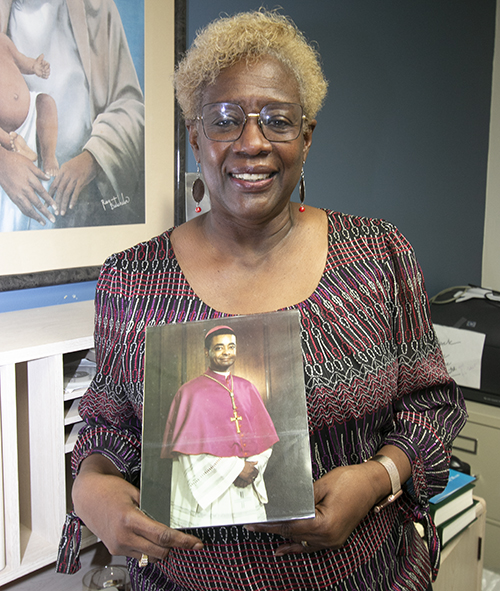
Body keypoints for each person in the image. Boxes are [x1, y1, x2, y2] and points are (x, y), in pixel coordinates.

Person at [56, 9, 467, 591]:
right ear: (194, 137)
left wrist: (378, 477)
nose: (252, 143)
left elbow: (433, 405)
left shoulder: (380, 257)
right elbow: (110, 425)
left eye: (277, 119)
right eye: (225, 120)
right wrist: (90, 485)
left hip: (368, 577)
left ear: (307, 137)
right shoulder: (131, 280)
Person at [0, 0, 144, 231]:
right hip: (14, 206)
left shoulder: (97, 7)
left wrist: (93, 158)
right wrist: (3, 163)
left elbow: (131, 106)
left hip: (85, 205)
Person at [161, 325, 279, 528]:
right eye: (219, 348)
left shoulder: (247, 387)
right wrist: (236, 469)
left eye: (231, 346)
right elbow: (188, 452)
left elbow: (264, 439)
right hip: (210, 495)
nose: (226, 352)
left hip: (247, 484)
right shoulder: (191, 392)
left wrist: (252, 466)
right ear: (207, 352)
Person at [0, 33, 58, 175]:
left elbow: (19, 60)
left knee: (46, 102)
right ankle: (13, 144)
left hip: (30, 111)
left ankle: (49, 155)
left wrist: (34, 66)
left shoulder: (2, 41)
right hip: (3, 127)